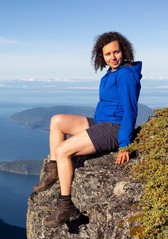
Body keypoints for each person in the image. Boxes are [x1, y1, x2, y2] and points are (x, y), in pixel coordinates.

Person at [32, 31, 142, 227]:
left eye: (116, 52)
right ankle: (54, 170)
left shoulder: (125, 75)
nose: (113, 57)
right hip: (101, 122)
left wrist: (125, 144)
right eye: (108, 54)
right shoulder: (111, 73)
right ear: (102, 56)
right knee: (57, 120)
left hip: (113, 128)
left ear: (123, 51)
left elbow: (130, 111)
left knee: (62, 149)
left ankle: (65, 204)